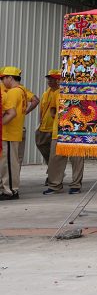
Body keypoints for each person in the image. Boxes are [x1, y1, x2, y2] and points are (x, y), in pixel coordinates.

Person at [1, 66, 39, 200]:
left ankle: (11, 191)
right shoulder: (22, 91)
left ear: (10, 78)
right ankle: (8, 189)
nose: (2, 81)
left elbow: (11, 113)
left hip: (9, 133)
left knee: (10, 164)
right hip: (14, 132)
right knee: (10, 163)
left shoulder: (13, 92)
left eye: (3, 78)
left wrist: (2, 123)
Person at [44, 80, 84, 195]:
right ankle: (55, 185)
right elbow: (52, 110)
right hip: (59, 132)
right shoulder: (57, 93)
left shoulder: (81, 92)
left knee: (77, 159)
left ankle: (76, 185)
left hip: (76, 131)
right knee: (55, 159)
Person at [35, 70, 61, 166]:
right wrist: (40, 121)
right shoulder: (46, 93)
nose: (50, 80)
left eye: (53, 79)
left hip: (55, 128)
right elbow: (42, 109)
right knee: (40, 144)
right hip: (44, 127)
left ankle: (54, 171)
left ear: (59, 80)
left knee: (55, 152)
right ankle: (51, 165)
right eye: (49, 78)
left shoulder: (62, 93)